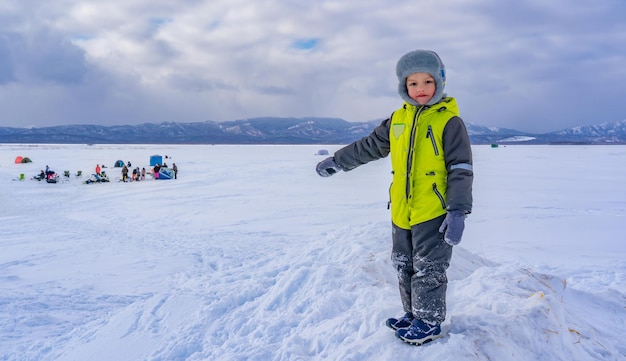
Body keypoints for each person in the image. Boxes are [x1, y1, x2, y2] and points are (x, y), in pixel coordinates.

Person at [315, 50, 473, 345]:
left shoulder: (449, 122)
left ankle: (429, 320)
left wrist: (458, 210)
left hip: (434, 210)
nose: (421, 88)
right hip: (402, 209)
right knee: (404, 264)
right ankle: (413, 313)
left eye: (428, 81)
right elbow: (370, 146)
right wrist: (338, 161)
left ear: (440, 81)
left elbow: (461, 168)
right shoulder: (398, 119)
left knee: (430, 267)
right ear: (404, 86)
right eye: (413, 83)